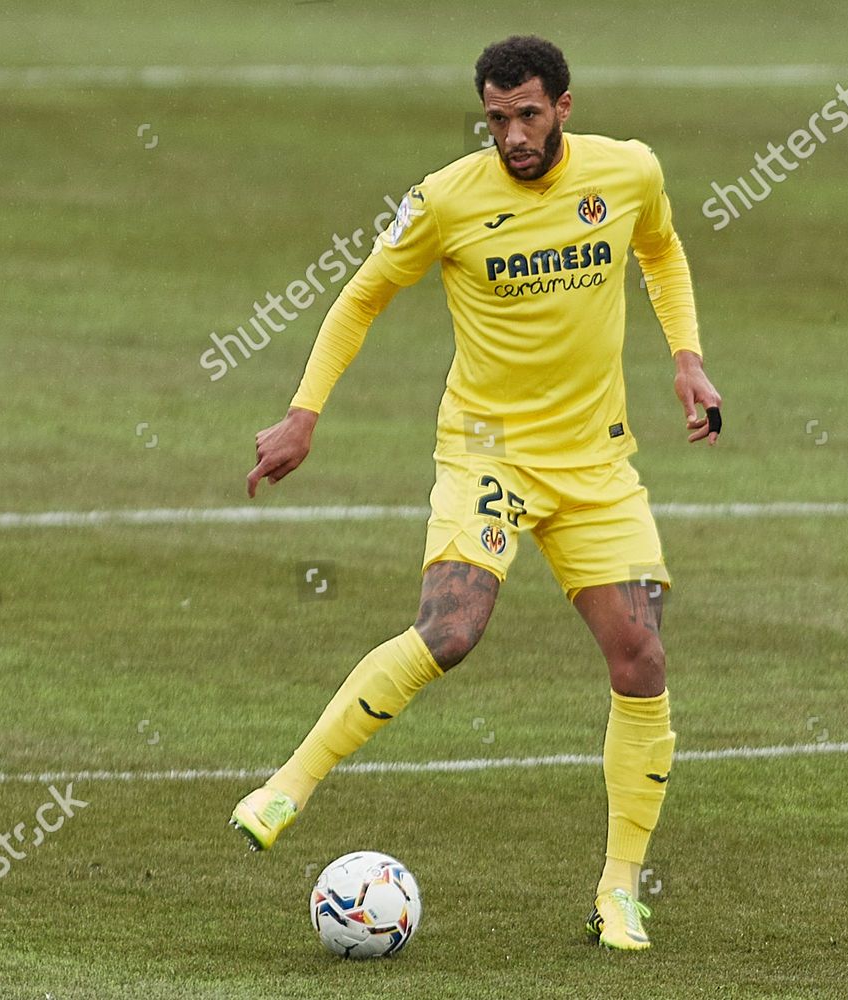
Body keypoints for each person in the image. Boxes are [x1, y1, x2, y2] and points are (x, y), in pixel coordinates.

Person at [231, 34, 722, 951]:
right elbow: (362, 295)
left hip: (594, 464)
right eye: (497, 119)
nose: (513, 135)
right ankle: (287, 785)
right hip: (486, 453)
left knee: (642, 661)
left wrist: (687, 363)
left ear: (564, 106)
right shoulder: (446, 198)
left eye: (529, 115)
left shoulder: (629, 173)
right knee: (451, 631)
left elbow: (661, 252)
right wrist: (303, 415)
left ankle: (619, 890)